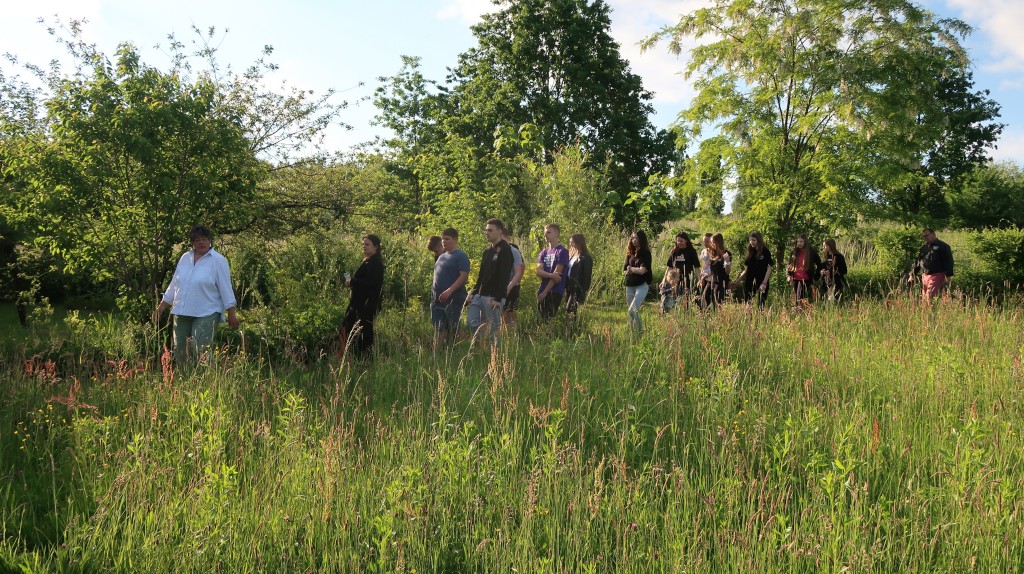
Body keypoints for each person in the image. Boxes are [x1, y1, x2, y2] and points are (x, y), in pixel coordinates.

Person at [153, 226, 240, 367]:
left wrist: (231, 313)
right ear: (192, 243)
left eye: (204, 239)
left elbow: (226, 288)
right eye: (197, 240)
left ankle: (206, 380)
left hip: (207, 311)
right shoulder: (185, 258)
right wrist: (161, 307)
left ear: (210, 241)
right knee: (180, 349)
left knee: (200, 348)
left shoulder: (218, 261)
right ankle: (185, 381)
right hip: (182, 310)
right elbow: (175, 284)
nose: (201, 242)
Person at [467, 218, 514, 344]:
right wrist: (474, 291)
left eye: (490, 230)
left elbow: (505, 276)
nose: (487, 233)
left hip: (493, 296)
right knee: (471, 322)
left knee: (493, 329)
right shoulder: (487, 251)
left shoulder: (505, 249)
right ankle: (482, 344)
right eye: (486, 230)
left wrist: (498, 298)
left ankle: (493, 354)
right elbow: (481, 275)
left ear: (499, 231)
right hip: (480, 294)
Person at [341, 234, 385, 357]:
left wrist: (353, 281)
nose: (364, 247)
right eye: (363, 244)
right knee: (348, 330)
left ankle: (364, 359)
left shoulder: (376, 263)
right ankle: (351, 357)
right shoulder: (368, 261)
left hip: (366, 305)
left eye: (367, 244)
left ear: (376, 247)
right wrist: (352, 282)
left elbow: (372, 283)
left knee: (364, 334)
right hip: (357, 303)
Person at [430, 228, 471, 346]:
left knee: (454, 329)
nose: (444, 241)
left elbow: (463, 276)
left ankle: (462, 349)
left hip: (453, 299)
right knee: (439, 328)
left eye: (447, 239)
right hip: (437, 300)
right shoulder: (442, 256)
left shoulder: (460, 255)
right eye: (442, 239)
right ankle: (437, 356)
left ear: (455, 239)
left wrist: (449, 291)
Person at [909, 227, 954, 301]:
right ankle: (926, 312)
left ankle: (932, 311)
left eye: (927, 235)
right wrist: (912, 275)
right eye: (923, 236)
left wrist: (948, 276)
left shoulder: (943, 246)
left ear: (933, 234)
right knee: (924, 298)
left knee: (930, 296)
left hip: (937, 275)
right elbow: (918, 262)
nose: (925, 237)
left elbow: (948, 262)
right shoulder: (924, 247)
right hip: (925, 276)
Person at [536, 223, 569, 320]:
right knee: (541, 319)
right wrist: (551, 275)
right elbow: (538, 271)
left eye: (548, 232)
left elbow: (557, 273)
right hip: (542, 288)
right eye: (545, 233)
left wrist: (545, 292)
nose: (545, 235)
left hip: (555, 290)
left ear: (556, 234)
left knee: (548, 319)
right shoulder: (543, 252)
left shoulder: (562, 251)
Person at [623, 230, 653, 335]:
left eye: (636, 238)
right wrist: (630, 270)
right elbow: (625, 271)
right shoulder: (630, 253)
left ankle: (640, 333)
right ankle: (632, 334)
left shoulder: (646, 253)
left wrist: (631, 269)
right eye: (632, 238)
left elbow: (642, 271)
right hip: (630, 285)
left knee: (632, 310)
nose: (633, 240)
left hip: (642, 285)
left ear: (641, 240)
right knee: (630, 312)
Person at [735, 231, 773, 308]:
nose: (751, 242)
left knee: (761, 305)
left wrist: (764, 282)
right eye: (750, 240)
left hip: (762, 280)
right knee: (747, 304)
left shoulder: (765, 251)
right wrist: (737, 282)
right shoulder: (750, 251)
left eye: (753, 240)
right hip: (750, 281)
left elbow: (770, 267)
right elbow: (746, 270)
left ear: (759, 240)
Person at [564, 233, 593, 329]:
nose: (570, 244)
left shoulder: (586, 257)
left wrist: (583, 294)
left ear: (578, 242)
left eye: (572, 242)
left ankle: (571, 331)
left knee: (570, 309)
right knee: (567, 310)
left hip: (577, 288)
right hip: (569, 286)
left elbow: (586, 277)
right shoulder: (573, 255)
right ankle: (569, 330)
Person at [501, 230, 526, 327]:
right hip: (500, 286)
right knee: (502, 313)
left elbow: (522, 266)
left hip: (512, 285)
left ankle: (513, 336)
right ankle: (504, 336)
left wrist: (517, 281)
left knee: (510, 312)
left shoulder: (513, 248)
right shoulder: (495, 249)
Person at [700, 233, 732, 310]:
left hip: (722, 282)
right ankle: (706, 317)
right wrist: (705, 276)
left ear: (718, 242)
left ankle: (718, 318)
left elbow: (727, 272)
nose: (710, 244)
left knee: (717, 303)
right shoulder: (712, 253)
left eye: (712, 242)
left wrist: (727, 261)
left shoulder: (726, 254)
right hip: (712, 281)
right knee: (704, 299)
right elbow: (712, 269)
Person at [666, 231, 699, 304]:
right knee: (674, 299)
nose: (679, 243)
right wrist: (664, 280)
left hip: (687, 279)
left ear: (686, 241)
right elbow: (669, 267)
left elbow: (696, 266)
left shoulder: (691, 251)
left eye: (681, 241)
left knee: (686, 300)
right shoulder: (674, 251)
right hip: (674, 279)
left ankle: (686, 313)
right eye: (678, 241)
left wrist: (699, 279)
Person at [787, 234, 820, 304]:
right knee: (797, 299)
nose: (799, 243)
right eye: (798, 241)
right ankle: (800, 313)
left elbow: (819, 263)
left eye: (801, 241)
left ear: (805, 242)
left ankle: (805, 311)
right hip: (795, 278)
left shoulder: (811, 251)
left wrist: (816, 276)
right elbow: (789, 264)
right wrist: (789, 275)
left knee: (801, 298)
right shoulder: (794, 252)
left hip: (806, 278)